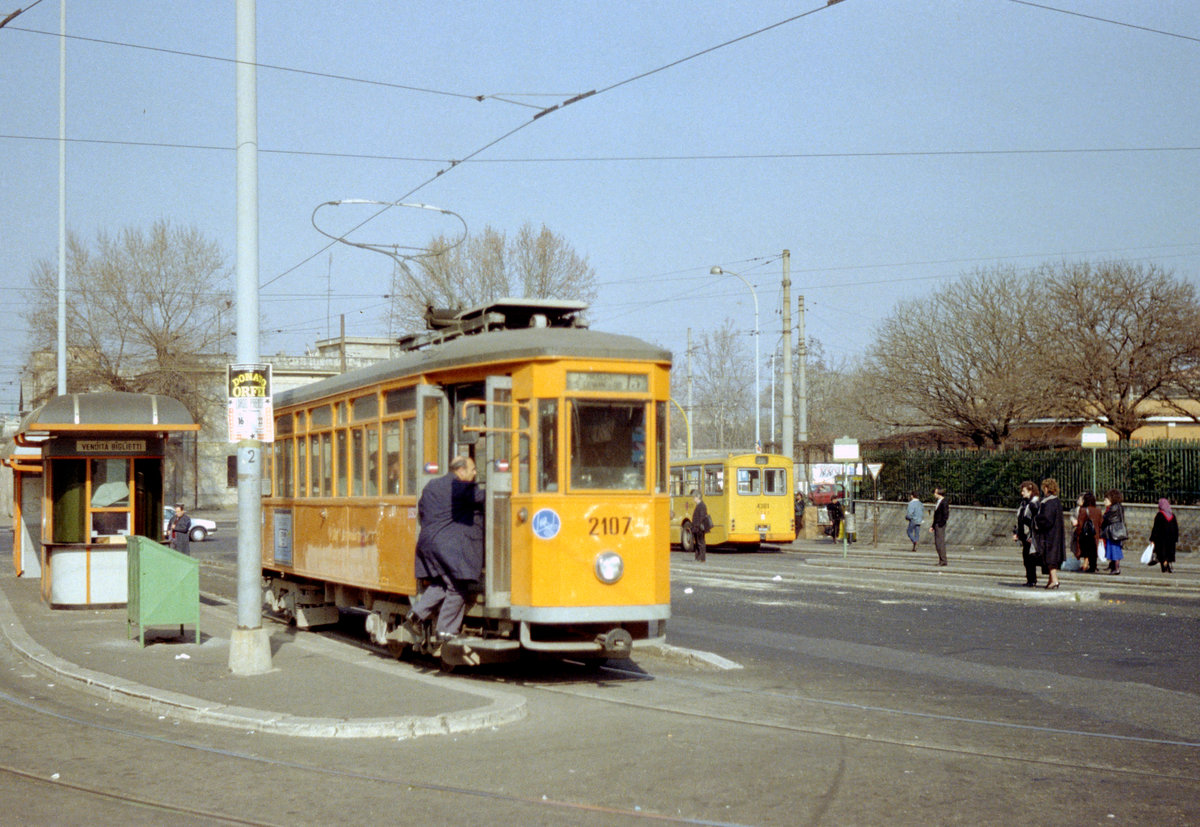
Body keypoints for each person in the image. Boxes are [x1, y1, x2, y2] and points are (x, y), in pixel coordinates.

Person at [406, 456, 485, 642]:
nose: (475, 473)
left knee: (443, 584)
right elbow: (486, 498)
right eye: (473, 469)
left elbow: (422, 508)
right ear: (461, 471)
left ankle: (415, 615)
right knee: (458, 587)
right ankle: (445, 630)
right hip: (447, 547)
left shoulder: (432, 485)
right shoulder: (460, 487)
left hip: (427, 544)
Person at [1033, 478, 1065, 588]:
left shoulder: (1049, 502)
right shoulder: (1056, 501)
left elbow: (1047, 519)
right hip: (1056, 533)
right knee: (1052, 557)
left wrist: (1037, 519)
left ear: (1046, 488)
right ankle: (1051, 580)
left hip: (1049, 535)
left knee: (1050, 557)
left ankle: (1055, 580)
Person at [1012, 481, 1040, 587]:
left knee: (1031, 558)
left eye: (1023, 491)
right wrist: (1017, 533)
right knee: (1026, 558)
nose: (1022, 493)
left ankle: (1032, 580)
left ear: (1030, 491)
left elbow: (1034, 521)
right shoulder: (1024, 503)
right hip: (1024, 534)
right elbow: (1020, 519)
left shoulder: (1034, 503)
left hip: (1031, 535)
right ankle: (1030, 579)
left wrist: (1032, 535)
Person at [1072, 491, 1103, 573]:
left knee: (1086, 550)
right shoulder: (1098, 510)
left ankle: (1088, 566)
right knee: (1093, 550)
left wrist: (1078, 533)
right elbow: (1100, 522)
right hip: (1095, 533)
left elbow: (1080, 523)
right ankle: (1093, 566)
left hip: (1085, 533)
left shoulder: (1083, 510)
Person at [1148, 497, 1178, 574]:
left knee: (1161, 552)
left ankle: (1164, 566)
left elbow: (1156, 528)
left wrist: (1152, 539)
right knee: (1168, 552)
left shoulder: (1159, 515)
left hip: (1161, 539)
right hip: (1171, 539)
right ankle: (1167, 564)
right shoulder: (1172, 515)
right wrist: (1175, 538)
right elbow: (1176, 528)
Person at [1101, 488, 1126, 575]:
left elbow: (1107, 518)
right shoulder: (1119, 506)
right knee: (1114, 548)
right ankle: (1113, 566)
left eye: (1106, 499)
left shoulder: (1113, 507)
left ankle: (1116, 568)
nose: (1105, 501)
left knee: (1114, 549)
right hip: (1117, 530)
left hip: (1113, 531)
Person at [690, 490, 712, 562]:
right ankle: (698, 557)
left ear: (697, 497)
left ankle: (702, 558)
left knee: (700, 543)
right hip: (697, 527)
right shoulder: (699, 505)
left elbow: (701, 517)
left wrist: (697, 525)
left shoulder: (702, 505)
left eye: (694, 497)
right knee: (697, 543)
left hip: (699, 528)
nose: (693, 499)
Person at [928, 487, 949, 566]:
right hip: (937, 524)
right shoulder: (939, 501)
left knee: (939, 542)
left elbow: (945, 514)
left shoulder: (944, 502)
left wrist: (940, 524)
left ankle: (943, 560)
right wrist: (933, 526)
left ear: (939, 493)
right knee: (938, 543)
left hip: (940, 525)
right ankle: (941, 560)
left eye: (935, 493)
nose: (934, 494)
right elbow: (936, 515)